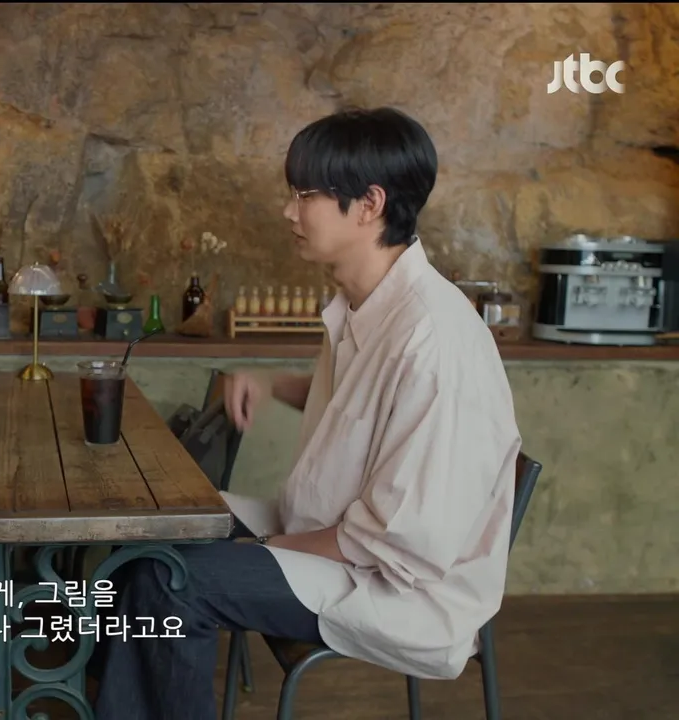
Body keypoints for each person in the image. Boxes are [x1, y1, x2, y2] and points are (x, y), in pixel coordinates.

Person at [93, 107, 522, 719]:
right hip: (335, 536)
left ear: (369, 204)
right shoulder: (368, 305)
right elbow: (362, 402)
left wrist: (268, 544)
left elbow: (395, 543)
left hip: (396, 586)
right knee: (146, 537)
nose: (288, 212)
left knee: (171, 581)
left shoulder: (433, 340)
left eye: (305, 195)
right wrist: (273, 385)